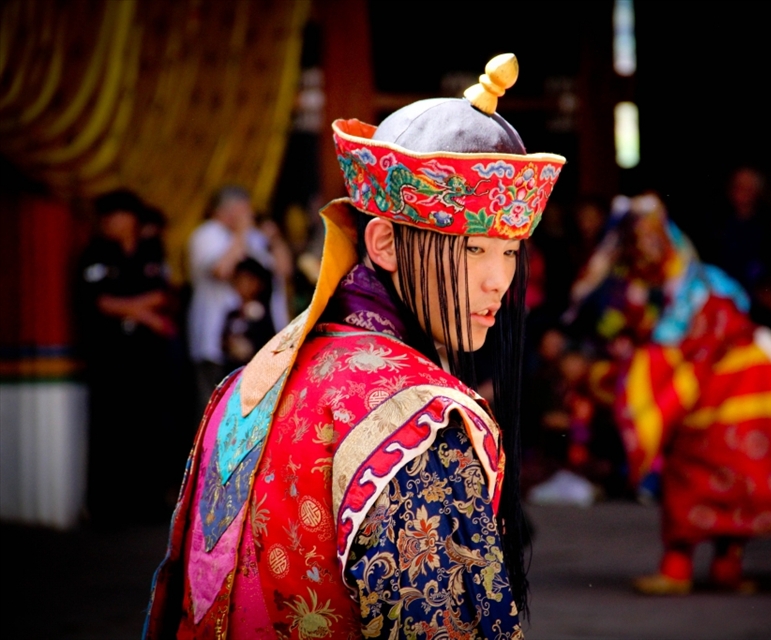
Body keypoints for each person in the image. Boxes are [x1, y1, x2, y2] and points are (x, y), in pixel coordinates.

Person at [143, 53, 565, 638]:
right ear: (386, 244)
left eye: (510, 251)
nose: (499, 279)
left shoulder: (246, 385)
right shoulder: (422, 425)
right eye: (473, 250)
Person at [564, 192, 771, 595]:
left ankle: (700, 565)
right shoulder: (662, 278)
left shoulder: (695, 285)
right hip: (720, 386)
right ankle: (706, 565)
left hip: (729, 383)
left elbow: (675, 338)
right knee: (722, 470)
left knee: (720, 470)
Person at [75, 189, 179, 526]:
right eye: (104, 217)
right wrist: (145, 314)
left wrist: (135, 309)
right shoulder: (95, 254)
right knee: (111, 430)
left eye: (115, 215)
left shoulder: (151, 250)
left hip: (147, 358)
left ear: (132, 219)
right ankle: (109, 509)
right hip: (111, 358)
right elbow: (101, 302)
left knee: (149, 427)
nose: (109, 223)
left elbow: (165, 293)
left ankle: (148, 504)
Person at [186, 185, 293, 421]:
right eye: (244, 209)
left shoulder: (253, 236)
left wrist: (274, 239)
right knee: (216, 414)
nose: (250, 214)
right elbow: (223, 270)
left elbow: (283, 271)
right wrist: (241, 233)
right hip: (217, 341)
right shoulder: (207, 234)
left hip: (261, 338)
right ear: (227, 209)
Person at [221, 257, 277, 371]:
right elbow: (222, 342)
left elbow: (269, 342)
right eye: (239, 280)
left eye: (248, 280)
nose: (243, 285)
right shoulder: (232, 314)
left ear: (259, 283)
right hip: (233, 371)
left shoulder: (263, 314)